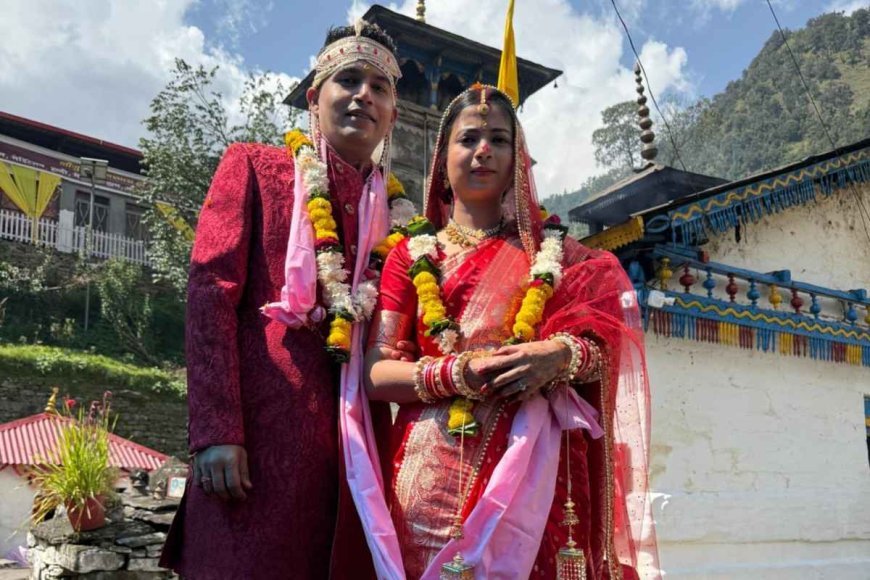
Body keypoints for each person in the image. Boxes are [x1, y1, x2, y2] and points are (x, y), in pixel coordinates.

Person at [347, 84, 659, 579]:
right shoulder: (409, 255)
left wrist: (559, 356)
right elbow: (375, 373)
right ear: (442, 160)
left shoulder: (561, 257)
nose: (483, 151)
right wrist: (458, 374)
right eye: (468, 138)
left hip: (533, 474)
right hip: (430, 477)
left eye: (499, 139)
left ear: (518, 158)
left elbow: (603, 345)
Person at [160, 20, 415, 578]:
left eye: (379, 87)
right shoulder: (256, 168)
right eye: (348, 80)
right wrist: (217, 431)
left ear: (392, 115)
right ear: (313, 98)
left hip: (356, 456)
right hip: (255, 449)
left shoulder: (403, 223)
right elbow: (210, 294)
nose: (363, 95)